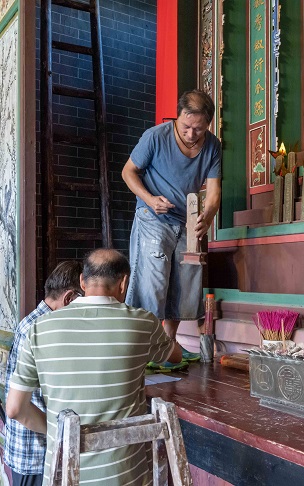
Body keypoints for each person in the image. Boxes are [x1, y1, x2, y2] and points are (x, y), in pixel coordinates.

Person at [6, 249, 182, 485]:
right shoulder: (143, 322)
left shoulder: (38, 328)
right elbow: (176, 356)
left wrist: (62, 434)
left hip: (63, 475)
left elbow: (15, 409)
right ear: (124, 283)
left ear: (82, 281)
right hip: (126, 476)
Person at [121, 89, 222, 362]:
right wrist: (150, 199)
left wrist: (208, 216)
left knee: (183, 282)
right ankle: (143, 347)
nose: (191, 134)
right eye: (186, 127)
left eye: (199, 129)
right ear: (178, 118)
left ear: (208, 124)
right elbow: (128, 172)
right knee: (153, 281)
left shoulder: (212, 146)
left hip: (186, 220)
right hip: (152, 216)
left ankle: (167, 343)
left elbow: (213, 193)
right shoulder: (155, 136)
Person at [3, 260, 83, 486]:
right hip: (35, 451)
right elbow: (17, 408)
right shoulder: (40, 329)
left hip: (35, 449)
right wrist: (61, 434)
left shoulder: (35, 323)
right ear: (68, 298)